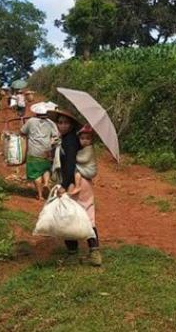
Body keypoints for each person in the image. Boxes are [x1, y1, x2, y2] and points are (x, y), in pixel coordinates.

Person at [51, 110, 101, 267]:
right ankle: (94, 252)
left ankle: (73, 254)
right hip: (82, 183)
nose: (62, 125)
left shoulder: (70, 141)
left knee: (67, 217)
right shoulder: (68, 139)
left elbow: (70, 164)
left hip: (74, 183)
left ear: (71, 125)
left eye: (66, 123)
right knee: (87, 216)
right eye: (60, 122)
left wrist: (64, 186)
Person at [20, 104, 58, 200]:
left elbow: (22, 132)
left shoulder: (31, 121)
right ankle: (46, 183)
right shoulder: (51, 123)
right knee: (46, 169)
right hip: (47, 150)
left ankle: (40, 195)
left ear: (36, 112)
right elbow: (56, 135)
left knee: (35, 172)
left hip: (34, 151)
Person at [73, 125, 97, 196]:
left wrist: (74, 158)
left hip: (89, 170)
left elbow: (84, 159)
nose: (85, 140)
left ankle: (77, 186)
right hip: (87, 169)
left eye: (88, 138)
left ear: (91, 140)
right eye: (82, 138)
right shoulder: (85, 148)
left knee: (76, 170)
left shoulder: (89, 149)